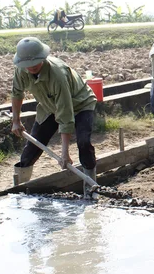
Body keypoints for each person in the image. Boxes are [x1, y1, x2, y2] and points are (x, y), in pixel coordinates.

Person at [10, 37, 98, 186]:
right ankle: (19, 190)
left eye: (35, 63)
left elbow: (65, 114)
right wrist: (16, 121)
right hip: (49, 106)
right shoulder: (21, 70)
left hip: (80, 104)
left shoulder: (57, 74)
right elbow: (17, 94)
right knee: (32, 147)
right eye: (27, 65)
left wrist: (65, 153)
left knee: (83, 143)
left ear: (43, 58)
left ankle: (90, 188)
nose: (31, 67)